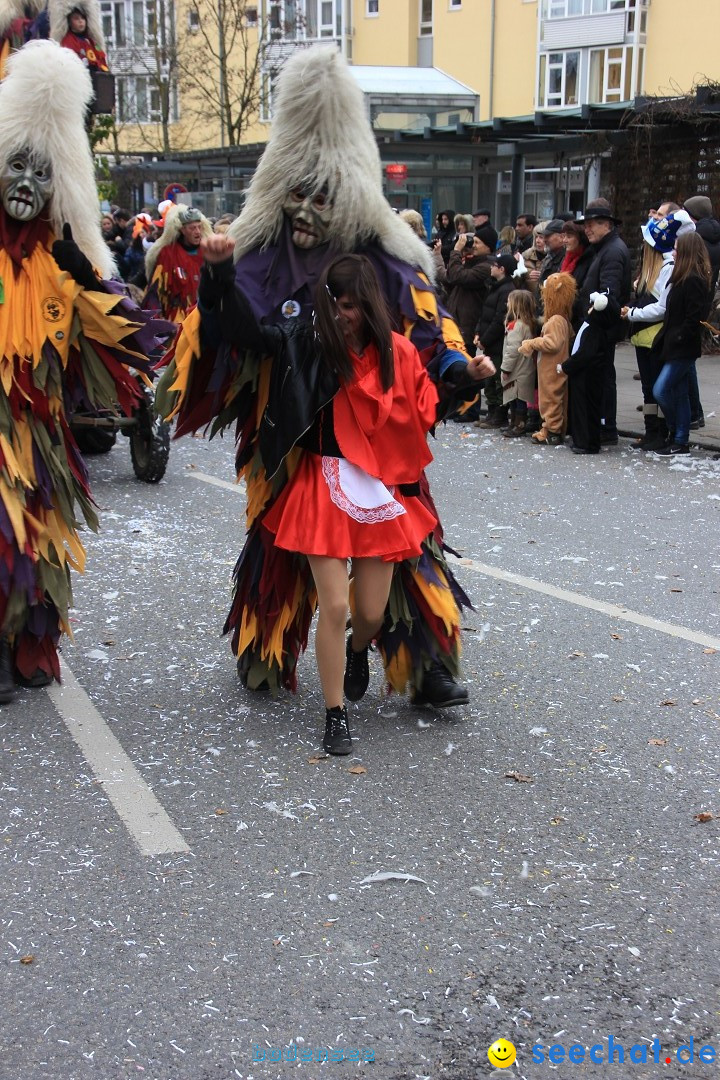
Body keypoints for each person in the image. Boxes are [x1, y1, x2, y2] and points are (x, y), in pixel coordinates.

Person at [156, 45, 484, 708]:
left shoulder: (384, 259)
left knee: (401, 539)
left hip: (374, 433)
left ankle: (424, 665)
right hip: (294, 431)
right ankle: (266, 646)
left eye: (322, 195)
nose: (306, 210)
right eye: (296, 193)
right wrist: (217, 278)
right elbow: (231, 331)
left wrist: (457, 367)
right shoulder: (262, 253)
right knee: (282, 540)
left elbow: (427, 327)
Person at [201, 246, 444, 752]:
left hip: (375, 488)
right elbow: (249, 335)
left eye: (351, 306)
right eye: (333, 304)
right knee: (334, 604)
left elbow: (428, 397)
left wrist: (470, 376)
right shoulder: (306, 340)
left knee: (370, 613)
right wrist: (221, 274)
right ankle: (335, 713)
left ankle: (359, 649)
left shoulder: (396, 353)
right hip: (320, 483)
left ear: (370, 305)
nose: (341, 315)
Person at [0, 41, 170, 701]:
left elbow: (129, 343)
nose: (25, 185)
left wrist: (88, 277)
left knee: (37, 538)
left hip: (38, 437)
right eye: (15, 168)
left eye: (41, 175)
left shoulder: (64, 265)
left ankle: (25, 642)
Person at [621, 210, 695, 450]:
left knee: (658, 389)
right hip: (643, 336)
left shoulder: (667, 268)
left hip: (655, 337)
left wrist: (633, 313)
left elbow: (662, 308)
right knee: (648, 389)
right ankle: (653, 431)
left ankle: (664, 432)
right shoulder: (655, 267)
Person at [650, 231, 713, 457]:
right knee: (678, 393)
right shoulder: (681, 277)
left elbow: (693, 317)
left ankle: (677, 431)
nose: (673, 252)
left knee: (662, 390)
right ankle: (679, 439)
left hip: (682, 347)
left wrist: (678, 337)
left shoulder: (693, 280)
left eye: (677, 248)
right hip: (675, 344)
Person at [578, 199, 631, 445]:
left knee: (603, 377)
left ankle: (606, 427)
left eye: (591, 225)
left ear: (606, 224)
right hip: (600, 326)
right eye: (585, 224)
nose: (586, 229)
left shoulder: (612, 251)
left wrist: (592, 320)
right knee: (601, 375)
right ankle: (603, 425)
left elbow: (608, 295)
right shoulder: (605, 249)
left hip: (602, 327)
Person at [519, 272, 576, 445]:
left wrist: (531, 343)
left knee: (550, 398)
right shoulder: (561, 319)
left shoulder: (556, 320)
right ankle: (551, 428)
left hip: (552, 368)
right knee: (552, 397)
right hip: (552, 366)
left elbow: (552, 343)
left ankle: (552, 429)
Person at [143, 204, 212, 322]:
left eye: (199, 227)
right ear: (182, 230)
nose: (197, 232)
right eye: (192, 228)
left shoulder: (208, 252)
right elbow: (156, 293)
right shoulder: (168, 254)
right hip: (177, 319)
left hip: (205, 318)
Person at [473, 254, 520, 428]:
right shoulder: (494, 286)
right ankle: (492, 412)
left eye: (494, 265)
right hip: (489, 341)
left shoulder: (507, 289)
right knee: (489, 379)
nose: (491, 267)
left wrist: (484, 340)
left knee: (498, 380)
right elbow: (484, 313)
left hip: (498, 342)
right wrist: (478, 332)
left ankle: (499, 414)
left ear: (502, 269)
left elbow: (500, 319)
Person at [500, 288, 538, 438]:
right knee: (518, 397)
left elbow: (512, 350)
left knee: (516, 397)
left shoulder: (516, 326)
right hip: (525, 368)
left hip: (517, 369)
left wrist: (505, 368)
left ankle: (518, 424)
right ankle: (516, 423)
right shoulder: (528, 324)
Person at [52, 0, 109, 71]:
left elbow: (101, 57)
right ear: (69, 22)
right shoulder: (67, 41)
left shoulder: (91, 41)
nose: (81, 21)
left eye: (83, 18)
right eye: (76, 18)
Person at [560, 220, 594, 330]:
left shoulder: (588, 260)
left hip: (579, 319)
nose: (564, 240)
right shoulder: (567, 259)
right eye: (564, 236)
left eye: (569, 237)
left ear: (580, 238)